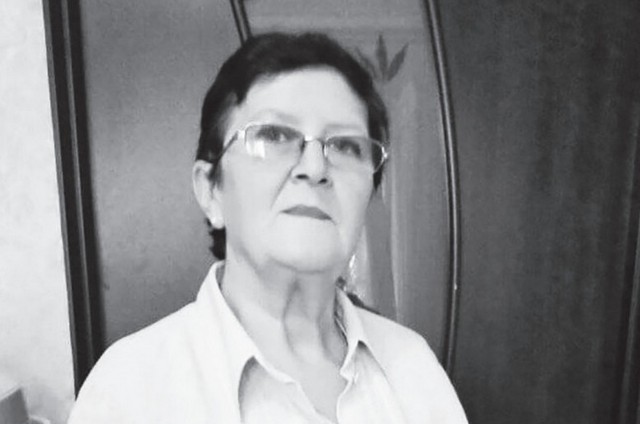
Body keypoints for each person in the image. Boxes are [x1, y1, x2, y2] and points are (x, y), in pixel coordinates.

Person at [67, 32, 467, 424]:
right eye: (274, 136)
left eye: (346, 146)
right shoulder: (129, 389)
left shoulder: (413, 368)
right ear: (211, 190)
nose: (315, 168)